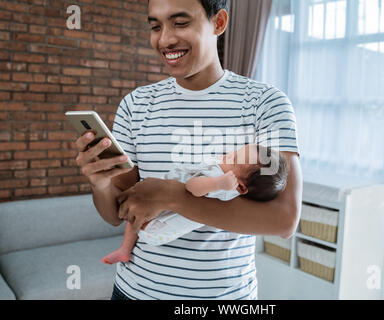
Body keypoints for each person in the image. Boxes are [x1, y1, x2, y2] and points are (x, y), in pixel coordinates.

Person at [74, 0, 302, 300]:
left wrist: (172, 195)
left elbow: (283, 220)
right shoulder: (136, 106)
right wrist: (100, 183)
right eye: (155, 26)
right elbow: (118, 213)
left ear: (218, 23)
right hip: (133, 293)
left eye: (180, 23)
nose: (165, 39)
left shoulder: (265, 103)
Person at [101, 144, 288, 264]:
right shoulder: (224, 175)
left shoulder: (223, 186)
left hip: (160, 226)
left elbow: (193, 187)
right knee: (136, 210)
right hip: (162, 210)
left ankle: (125, 248)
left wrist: (218, 183)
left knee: (136, 217)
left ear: (240, 186)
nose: (229, 154)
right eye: (237, 151)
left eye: (235, 158)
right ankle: (125, 250)